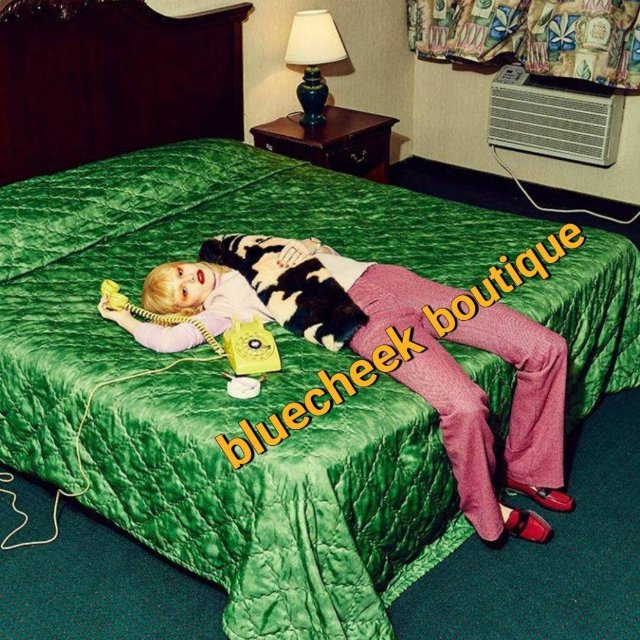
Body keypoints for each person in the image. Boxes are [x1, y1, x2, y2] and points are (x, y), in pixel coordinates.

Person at [98, 237, 574, 544]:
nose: (188, 279)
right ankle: (488, 512)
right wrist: (123, 317)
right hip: (362, 322)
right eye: (183, 292)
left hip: (388, 279)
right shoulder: (222, 309)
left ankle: (527, 468)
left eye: (180, 271)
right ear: (190, 309)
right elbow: (167, 340)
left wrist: (307, 246)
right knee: (464, 403)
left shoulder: (241, 247)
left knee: (545, 346)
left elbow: (320, 250)